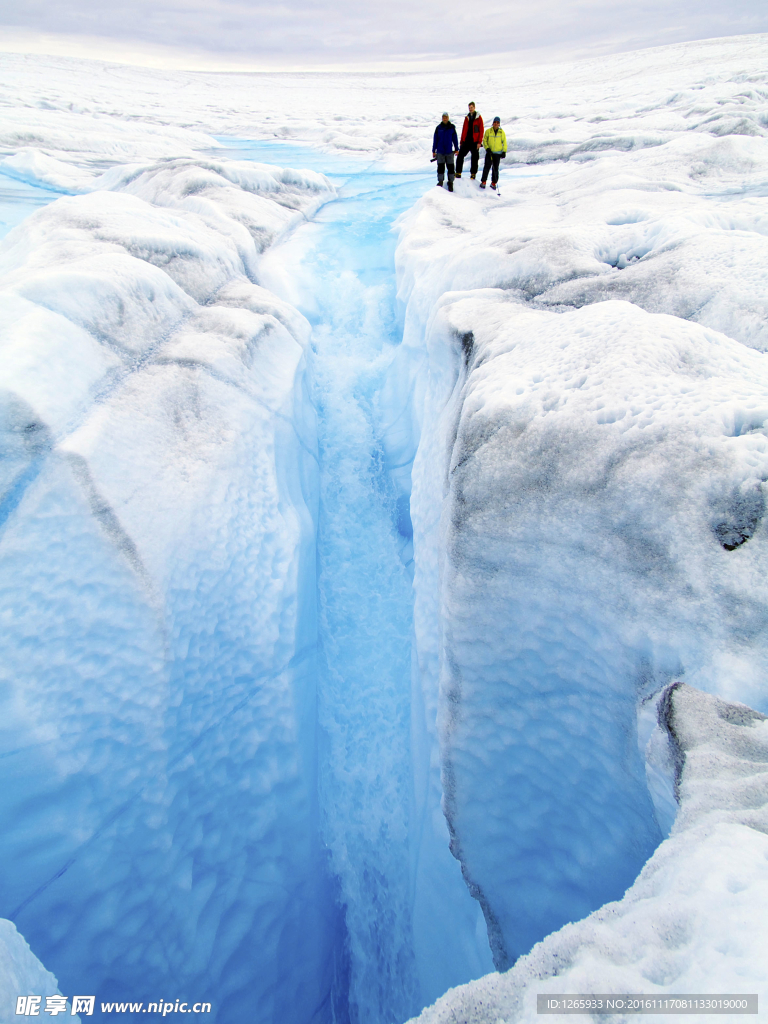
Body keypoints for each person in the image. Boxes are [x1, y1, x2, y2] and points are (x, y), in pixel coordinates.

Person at [456, 102, 484, 180]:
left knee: (475, 158)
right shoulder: (467, 118)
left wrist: (479, 142)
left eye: (471, 107)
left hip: (474, 141)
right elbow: (464, 130)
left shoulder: (478, 118)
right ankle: (458, 172)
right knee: (460, 155)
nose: (470, 109)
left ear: (474, 108)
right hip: (467, 140)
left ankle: (473, 174)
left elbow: (481, 130)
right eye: (469, 108)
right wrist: (462, 141)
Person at [432, 112, 459, 192]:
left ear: (448, 118)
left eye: (446, 117)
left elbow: (455, 139)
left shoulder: (452, 127)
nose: (445, 118)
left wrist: (457, 148)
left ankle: (450, 182)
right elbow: (435, 140)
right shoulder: (438, 128)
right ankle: (440, 182)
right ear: (442, 118)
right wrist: (434, 150)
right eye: (443, 117)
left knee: (450, 168)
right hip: (440, 151)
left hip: (449, 152)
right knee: (440, 168)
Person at [480, 117, 507, 190]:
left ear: (499, 124)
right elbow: (485, 140)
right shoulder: (488, 131)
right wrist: (487, 148)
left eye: (497, 123)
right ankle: (483, 182)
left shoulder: (502, 132)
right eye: (495, 122)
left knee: (495, 169)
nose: (496, 124)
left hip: (497, 154)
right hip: (490, 152)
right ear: (493, 123)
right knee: (487, 167)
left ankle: (493, 183)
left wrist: (504, 151)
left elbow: (504, 142)